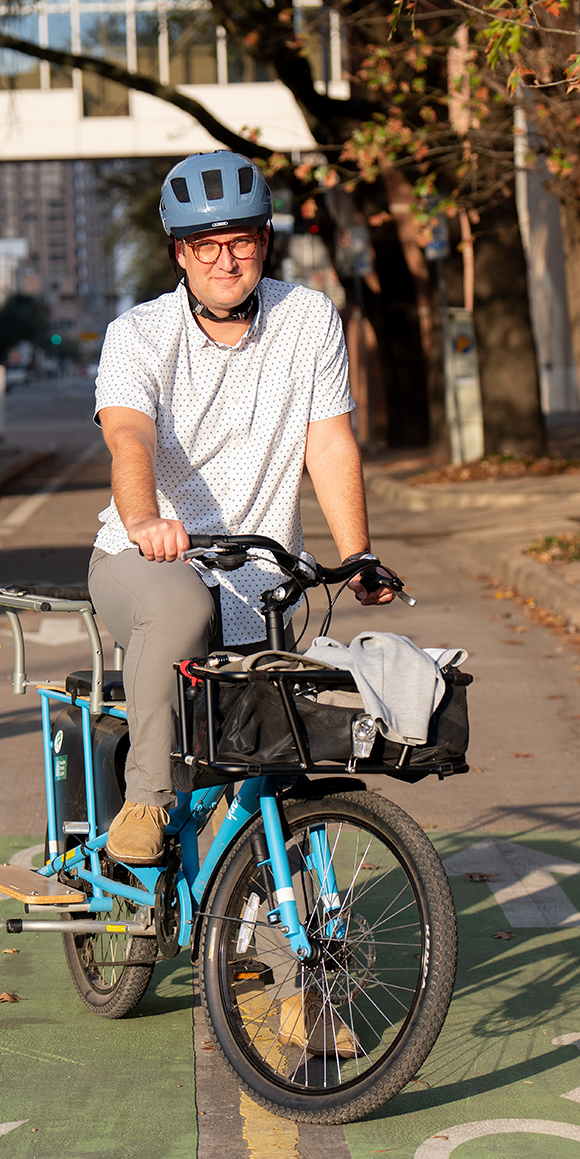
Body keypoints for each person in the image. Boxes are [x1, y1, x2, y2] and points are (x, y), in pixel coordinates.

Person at [89, 151, 399, 868]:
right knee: (181, 608)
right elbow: (128, 436)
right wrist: (143, 523)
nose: (226, 260)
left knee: (273, 772)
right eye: (207, 245)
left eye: (242, 241)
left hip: (260, 579)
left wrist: (356, 555)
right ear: (180, 252)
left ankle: (280, 965)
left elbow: (328, 442)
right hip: (147, 561)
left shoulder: (308, 318)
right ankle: (146, 795)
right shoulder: (137, 335)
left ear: (265, 240)